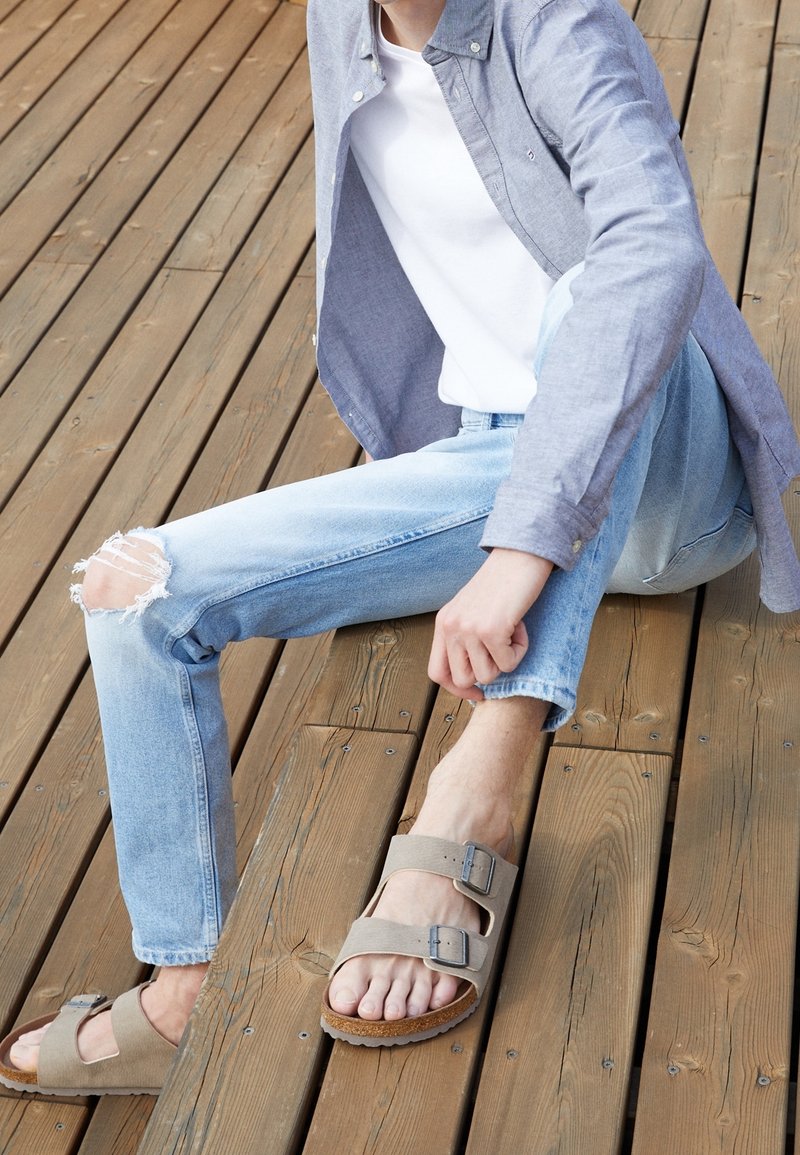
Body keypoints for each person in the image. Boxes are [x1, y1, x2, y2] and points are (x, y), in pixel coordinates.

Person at [1, 0, 799, 1092]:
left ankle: (481, 781)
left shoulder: (559, 24)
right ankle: (184, 985)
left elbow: (652, 245)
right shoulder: (342, 22)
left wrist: (520, 550)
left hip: (668, 485)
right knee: (133, 592)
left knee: (600, 290)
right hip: (484, 450)